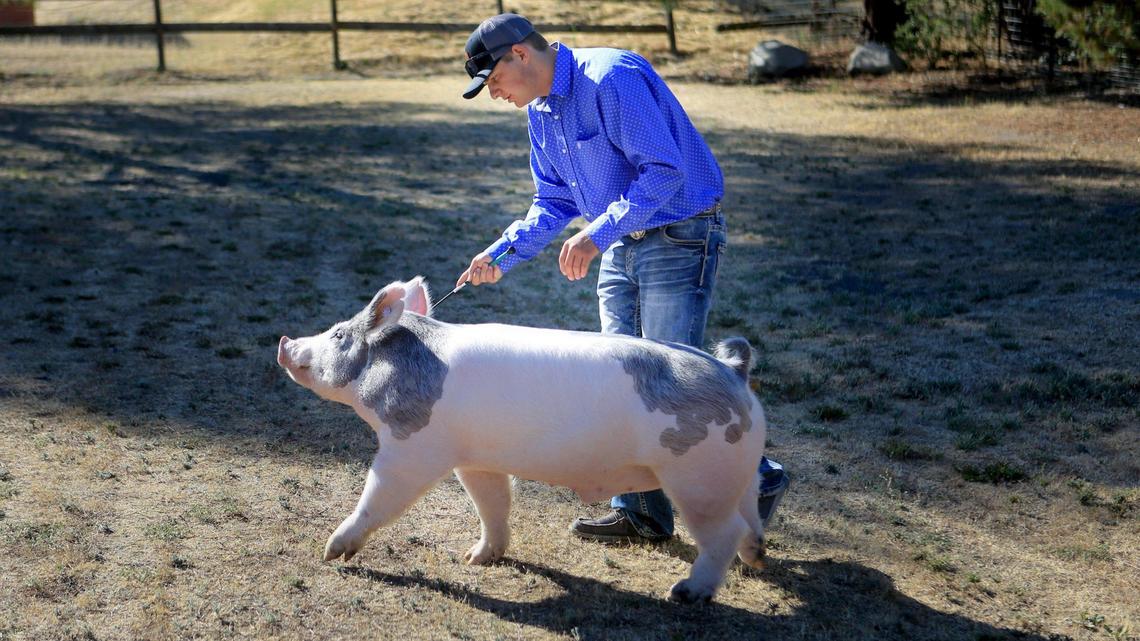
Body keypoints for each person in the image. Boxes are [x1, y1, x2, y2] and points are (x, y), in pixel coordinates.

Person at [457, 13, 788, 543]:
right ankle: (641, 514)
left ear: (519, 53)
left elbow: (664, 171)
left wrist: (596, 233)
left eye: (493, 80)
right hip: (618, 243)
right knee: (620, 383)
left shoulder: (610, 78)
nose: (493, 93)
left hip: (678, 234)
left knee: (671, 385)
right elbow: (555, 200)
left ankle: (759, 477)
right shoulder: (541, 110)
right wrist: (502, 254)